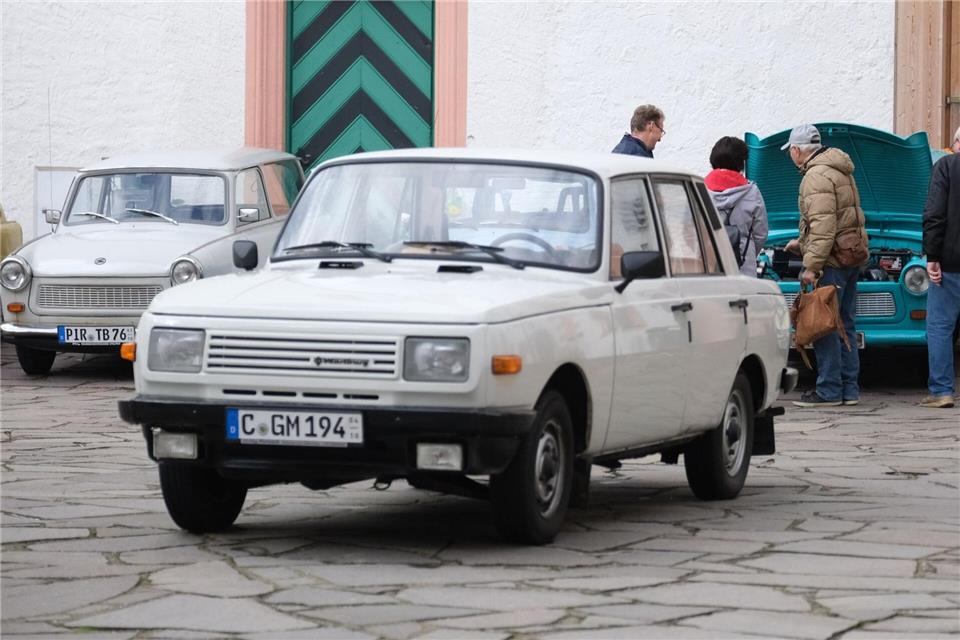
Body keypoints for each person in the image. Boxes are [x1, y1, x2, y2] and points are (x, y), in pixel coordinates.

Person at [781, 125, 868, 407]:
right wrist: (801, 242)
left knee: (825, 324)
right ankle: (850, 390)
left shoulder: (815, 176)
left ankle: (829, 390)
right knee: (846, 324)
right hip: (850, 256)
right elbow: (836, 219)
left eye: (790, 151)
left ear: (797, 150)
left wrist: (811, 266)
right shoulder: (839, 169)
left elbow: (823, 226)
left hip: (830, 262)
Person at [919, 125, 960, 408]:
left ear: (957, 143)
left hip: (951, 264)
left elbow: (934, 214)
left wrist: (931, 256)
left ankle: (942, 391)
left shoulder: (946, 166)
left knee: (940, 326)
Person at [705, 136, 768, 276]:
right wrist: (747, 253)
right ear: (741, 162)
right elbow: (760, 234)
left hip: (708, 267)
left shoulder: (699, 189)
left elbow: (688, 230)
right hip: (744, 268)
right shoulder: (751, 192)